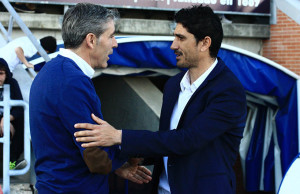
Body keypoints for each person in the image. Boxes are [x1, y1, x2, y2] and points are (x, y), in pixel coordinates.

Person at [74, 4, 247, 194]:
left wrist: (119, 136)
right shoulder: (173, 85)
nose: (173, 45)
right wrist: (138, 156)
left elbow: (188, 140)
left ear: (205, 43)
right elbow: (168, 140)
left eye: (181, 38)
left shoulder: (229, 91)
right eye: (175, 37)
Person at [29, 3, 151, 194]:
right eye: (111, 36)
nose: (115, 43)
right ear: (91, 40)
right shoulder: (72, 81)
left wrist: (118, 165)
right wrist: (134, 152)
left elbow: (70, 146)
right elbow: (98, 159)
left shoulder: (50, 72)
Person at [0, 58, 24, 167]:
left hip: (9, 121)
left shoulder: (12, 84)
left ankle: (11, 163)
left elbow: (19, 107)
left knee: (22, 124)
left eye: (1, 74)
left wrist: (6, 118)